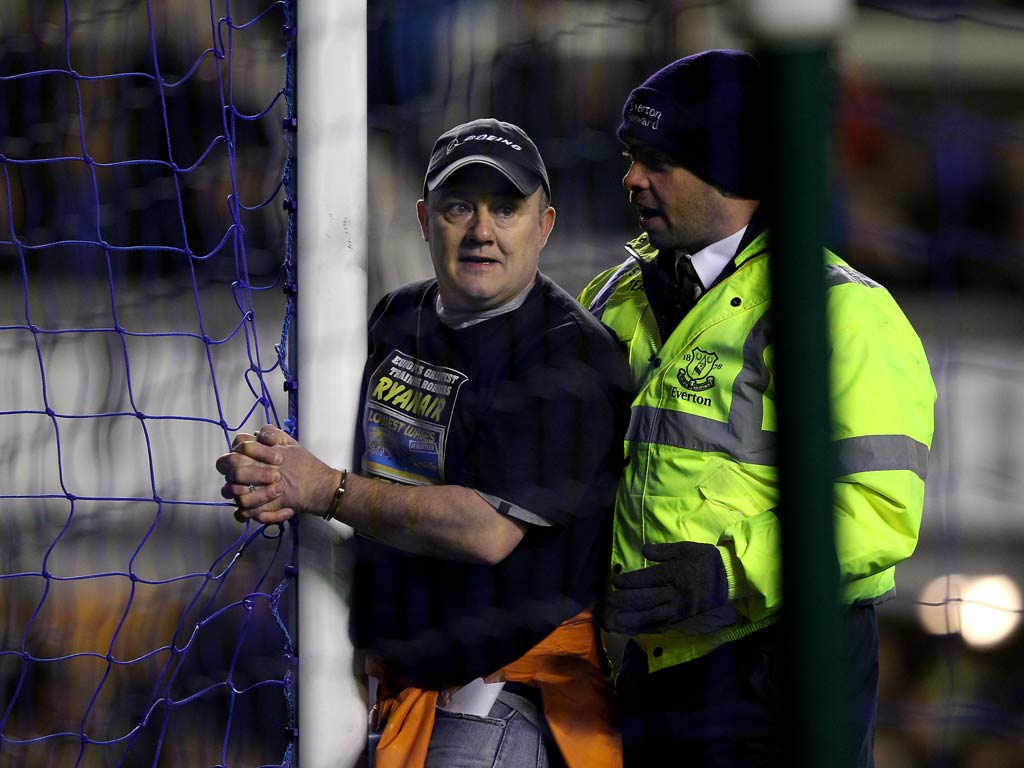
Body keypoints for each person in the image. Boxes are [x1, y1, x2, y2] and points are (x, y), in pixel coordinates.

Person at [217, 118, 629, 768]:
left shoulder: (570, 355)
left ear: (544, 225)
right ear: (423, 217)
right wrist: (271, 475)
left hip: (500, 704)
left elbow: (486, 528)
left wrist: (325, 488)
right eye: (459, 205)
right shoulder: (397, 318)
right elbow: (352, 477)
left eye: (505, 207)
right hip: (402, 693)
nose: (481, 230)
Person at [577, 49, 936, 766]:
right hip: (643, 662)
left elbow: (879, 509)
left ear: (730, 169)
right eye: (629, 155)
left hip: (783, 667)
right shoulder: (609, 298)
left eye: (658, 160)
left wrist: (728, 574)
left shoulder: (842, 313)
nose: (631, 178)